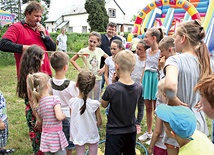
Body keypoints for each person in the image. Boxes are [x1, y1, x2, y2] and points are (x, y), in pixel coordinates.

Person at [163, 20, 213, 155]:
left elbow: (170, 86)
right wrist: (204, 100)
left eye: (175, 37)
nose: (173, 41)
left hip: (177, 126)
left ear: (183, 38)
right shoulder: (207, 63)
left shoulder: (175, 60)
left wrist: (172, 99)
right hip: (199, 124)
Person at [0, 1, 56, 78]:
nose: (39, 19)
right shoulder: (16, 27)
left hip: (45, 74)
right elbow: (3, 44)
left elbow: (52, 49)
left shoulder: (42, 29)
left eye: (40, 16)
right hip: (28, 76)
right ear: (27, 14)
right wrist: (26, 48)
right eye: (36, 16)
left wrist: (46, 37)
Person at [101, 50, 142, 155]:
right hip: (131, 130)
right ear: (132, 68)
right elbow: (140, 107)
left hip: (114, 132)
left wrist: (113, 84)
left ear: (116, 66)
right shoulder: (139, 87)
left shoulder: (111, 88)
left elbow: (103, 104)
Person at [27, 72, 68, 155]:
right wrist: (65, 115)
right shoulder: (54, 99)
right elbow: (59, 117)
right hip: (56, 137)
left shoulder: (37, 104)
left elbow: (40, 121)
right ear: (47, 86)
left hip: (46, 138)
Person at [17, 45, 45, 155]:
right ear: (36, 60)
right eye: (42, 60)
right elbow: (32, 100)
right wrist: (38, 118)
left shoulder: (27, 73)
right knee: (38, 140)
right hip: (34, 113)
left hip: (32, 111)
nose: (42, 63)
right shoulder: (31, 77)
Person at [50, 51, 79, 155]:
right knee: (68, 141)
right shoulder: (72, 85)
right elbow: (77, 101)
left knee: (57, 140)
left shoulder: (48, 83)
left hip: (53, 116)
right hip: (68, 116)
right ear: (66, 67)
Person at [138, 27, 163, 142]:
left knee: (157, 108)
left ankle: (157, 134)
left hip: (156, 79)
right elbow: (144, 66)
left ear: (153, 38)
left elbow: (161, 68)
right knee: (148, 107)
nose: (144, 38)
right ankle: (149, 132)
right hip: (147, 78)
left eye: (146, 36)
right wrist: (141, 80)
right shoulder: (147, 51)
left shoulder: (160, 52)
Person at [69, 71, 102, 155]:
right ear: (93, 86)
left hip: (79, 134)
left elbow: (72, 117)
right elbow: (99, 122)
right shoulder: (95, 104)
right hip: (92, 134)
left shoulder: (72, 102)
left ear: (76, 84)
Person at [70, 31, 108, 101]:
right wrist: (80, 70)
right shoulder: (83, 51)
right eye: (90, 41)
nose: (92, 43)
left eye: (94, 42)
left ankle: (96, 111)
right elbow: (72, 60)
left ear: (98, 43)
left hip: (97, 78)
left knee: (97, 98)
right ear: (88, 39)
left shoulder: (99, 51)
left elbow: (109, 60)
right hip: (88, 78)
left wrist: (103, 69)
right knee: (88, 97)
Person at [131, 40, 148, 133]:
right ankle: (132, 121)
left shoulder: (147, 61)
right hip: (132, 85)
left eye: (140, 49)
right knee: (131, 105)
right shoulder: (134, 58)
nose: (137, 51)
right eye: (136, 48)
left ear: (146, 51)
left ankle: (138, 123)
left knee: (140, 106)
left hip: (141, 88)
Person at [148, 79, 168, 155]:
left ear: (164, 94)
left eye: (159, 92)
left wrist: (150, 147)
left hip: (160, 146)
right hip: (172, 146)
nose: (157, 94)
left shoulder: (161, 109)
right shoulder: (175, 108)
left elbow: (157, 132)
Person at [100, 22, 122, 89]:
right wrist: (103, 67)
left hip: (115, 64)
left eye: (113, 30)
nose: (111, 31)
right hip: (101, 64)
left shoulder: (118, 39)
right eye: (109, 29)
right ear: (106, 29)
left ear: (115, 31)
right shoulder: (101, 37)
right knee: (101, 84)